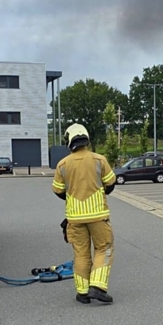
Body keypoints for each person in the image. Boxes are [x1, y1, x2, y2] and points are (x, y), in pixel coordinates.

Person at [52, 123, 117, 304]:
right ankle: (97, 287)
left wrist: (72, 198)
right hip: (98, 216)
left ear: (69, 141)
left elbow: (58, 190)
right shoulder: (99, 160)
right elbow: (111, 184)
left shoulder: (63, 164)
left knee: (81, 253)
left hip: (74, 218)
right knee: (103, 248)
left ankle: (82, 292)